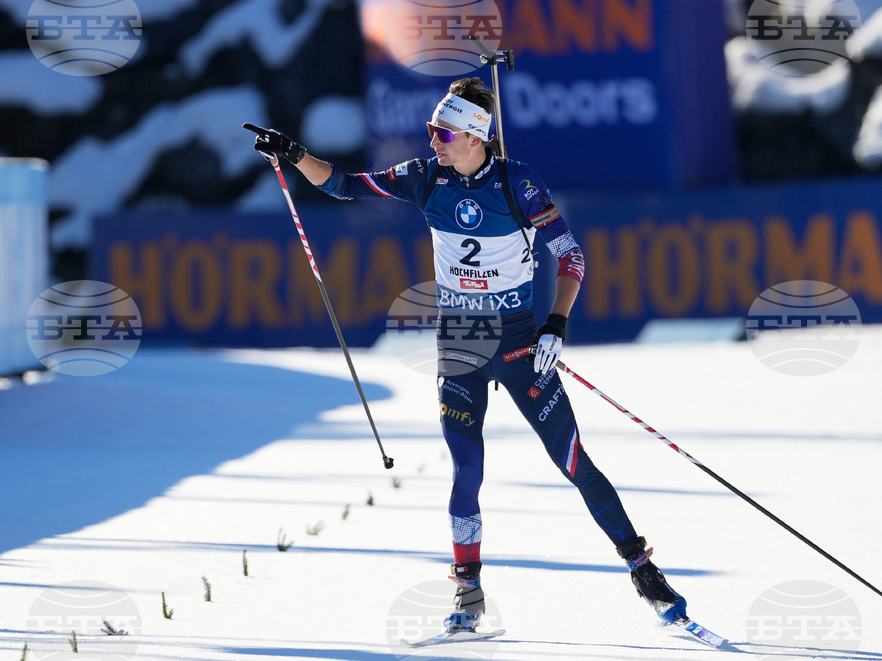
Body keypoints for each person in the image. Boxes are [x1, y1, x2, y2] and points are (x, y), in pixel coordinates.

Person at [246, 77, 687, 632]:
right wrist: (292, 155)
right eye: (432, 130)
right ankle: (468, 593)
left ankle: (645, 572)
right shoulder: (423, 177)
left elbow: (571, 258)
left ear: (477, 137)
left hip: (519, 342)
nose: (433, 141)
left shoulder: (517, 182)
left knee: (573, 460)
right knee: (466, 470)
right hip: (460, 343)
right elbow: (341, 185)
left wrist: (555, 325)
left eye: (444, 133)